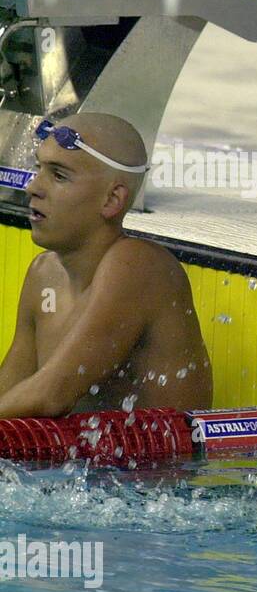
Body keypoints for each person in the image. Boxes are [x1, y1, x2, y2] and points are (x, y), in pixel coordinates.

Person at [0, 114, 212, 418]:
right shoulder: (43, 275)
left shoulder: (139, 266)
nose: (33, 187)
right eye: (38, 168)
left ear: (112, 199)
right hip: (82, 463)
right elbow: (10, 391)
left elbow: (52, 395)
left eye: (59, 175)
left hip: (159, 466)